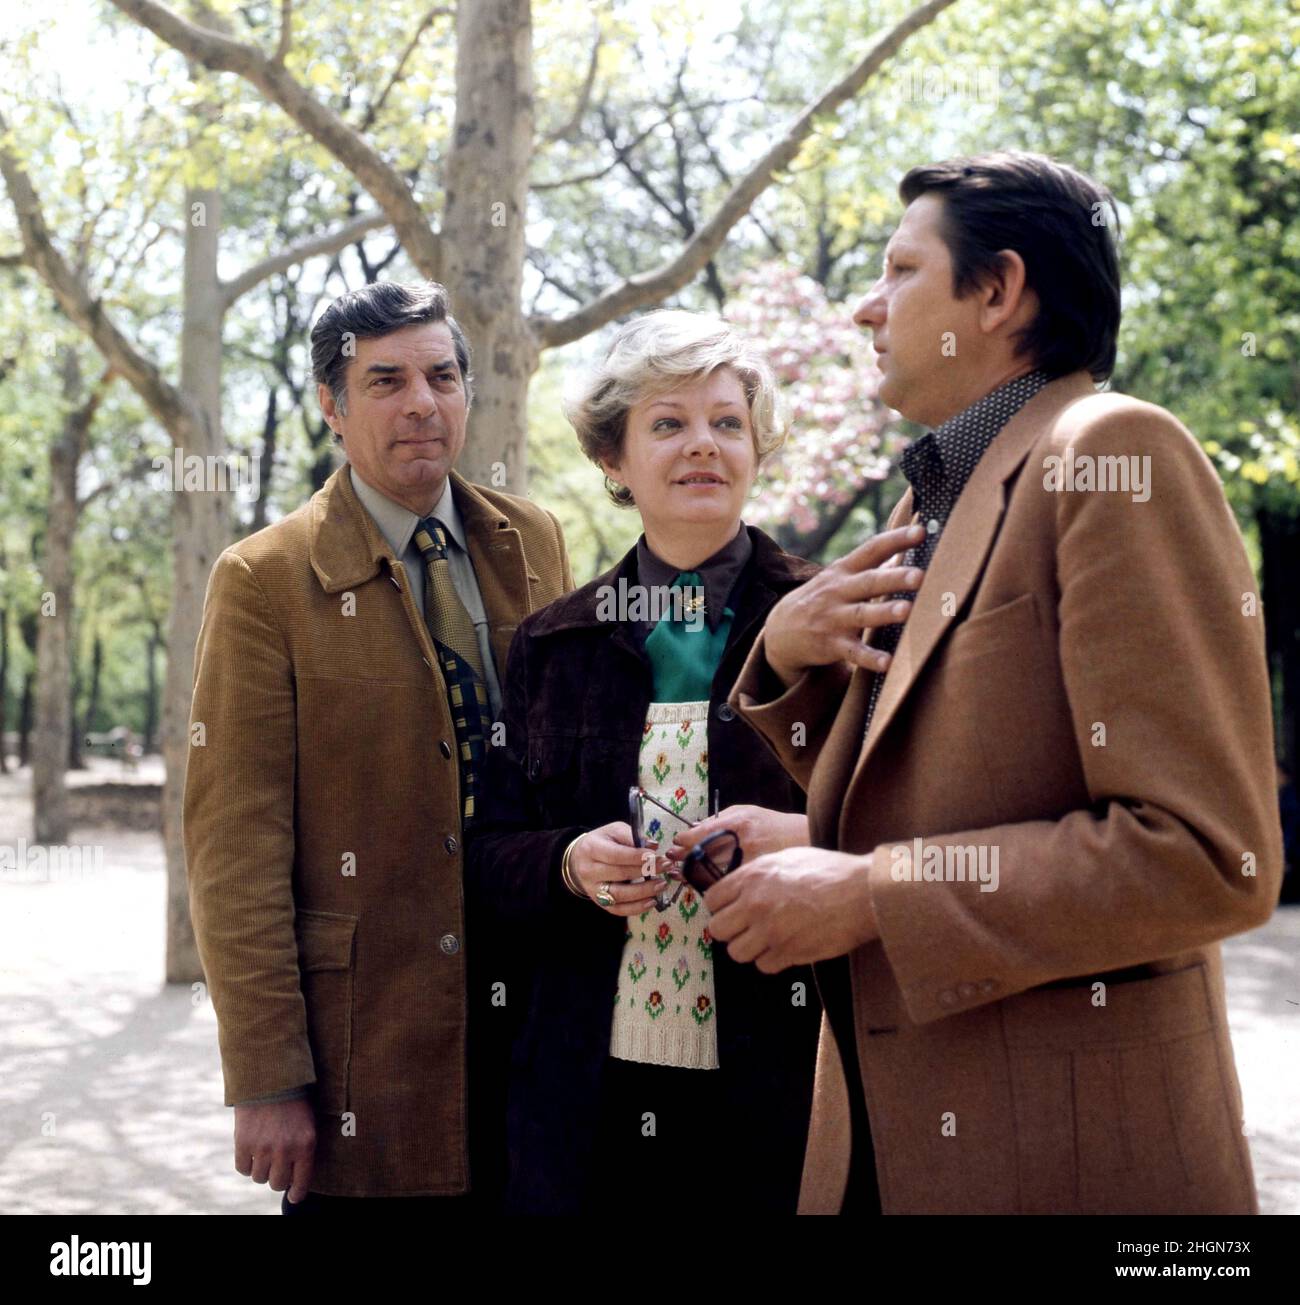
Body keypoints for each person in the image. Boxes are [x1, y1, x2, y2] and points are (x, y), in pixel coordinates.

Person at [715, 152, 1281, 1215]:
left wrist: (870, 894)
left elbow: (1209, 859)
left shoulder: (1113, 454)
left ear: (997, 291)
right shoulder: (922, 506)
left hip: (1061, 1163)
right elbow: (948, 784)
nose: (861, 309)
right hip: (882, 1146)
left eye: (898, 271)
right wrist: (790, 680)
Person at [183, 280, 573, 1211]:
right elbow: (234, 845)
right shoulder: (263, 580)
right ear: (332, 404)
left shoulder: (532, 539)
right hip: (370, 1045)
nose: (421, 404)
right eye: (386, 380)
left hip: (534, 1022)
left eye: (442, 376)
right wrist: (267, 1078)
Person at [466, 311, 865, 1214]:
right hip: (584, 1091)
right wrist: (569, 861)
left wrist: (801, 841)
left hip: (786, 1073)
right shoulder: (550, 643)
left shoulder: (838, 619)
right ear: (614, 459)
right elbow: (487, 853)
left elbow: (901, 829)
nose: (704, 447)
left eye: (728, 422)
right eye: (668, 423)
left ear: (758, 449)